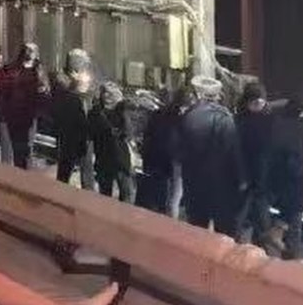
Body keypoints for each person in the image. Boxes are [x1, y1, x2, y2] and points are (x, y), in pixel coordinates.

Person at [179, 76, 245, 237]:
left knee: (197, 232)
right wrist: (242, 179)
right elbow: (233, 153)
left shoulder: (187, 117)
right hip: (221, 185)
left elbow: (179, 151)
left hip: (193, 184)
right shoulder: (224, 118)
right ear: (216, 96)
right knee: (224, 234)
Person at [269, 96, 303, 259]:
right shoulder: (301, 129)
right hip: (296, 180)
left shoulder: (277, 126)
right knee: (294, 220)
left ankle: (280, 240)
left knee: (287, 214)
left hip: (279, 181)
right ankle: (290, 254)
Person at [137, 86, 191, 218]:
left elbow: (148, 136)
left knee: (164, 196)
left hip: (157, 159)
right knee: (174, 197)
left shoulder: (159, 114)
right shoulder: (183, 117)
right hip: (174, 159)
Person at [0, 43, 49, 169]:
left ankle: (24, 172)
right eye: (28, 51)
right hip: (14, 114)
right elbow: (4, 92)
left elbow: (45, 91)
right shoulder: (12, 69)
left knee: (27, 148)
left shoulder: (39, 69)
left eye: (33, 51)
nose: (30, 53)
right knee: (16, 147)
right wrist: (2, 114)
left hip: (30, 114)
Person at [235, 81, 273, 247]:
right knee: (239, 216)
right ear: (247, 102)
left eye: (261, 102)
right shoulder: (239, 121)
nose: (258, 105)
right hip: (245, 177)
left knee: (263, 220)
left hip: (263, 178)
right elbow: (235, 151)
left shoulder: (270, 120)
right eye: (254, 102)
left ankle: (261, 250)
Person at [52, 48, 95, 189]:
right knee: (65, 165)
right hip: (69, 130)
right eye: (80, 62)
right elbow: (66, 94)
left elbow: (91, 96)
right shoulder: (62, 77)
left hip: (85, 130)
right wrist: (78, 85)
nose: (82, 65)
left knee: (87, 167)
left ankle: (88, 194)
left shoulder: (86, 76)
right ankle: (60, 193)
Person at [88, 81, 135, 201]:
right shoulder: (120, 112)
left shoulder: (95, 113)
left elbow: (91, 134)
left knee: (106, 196)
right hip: (119, 159)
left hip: (103, 158)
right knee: (126, 195)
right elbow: (128, 134)